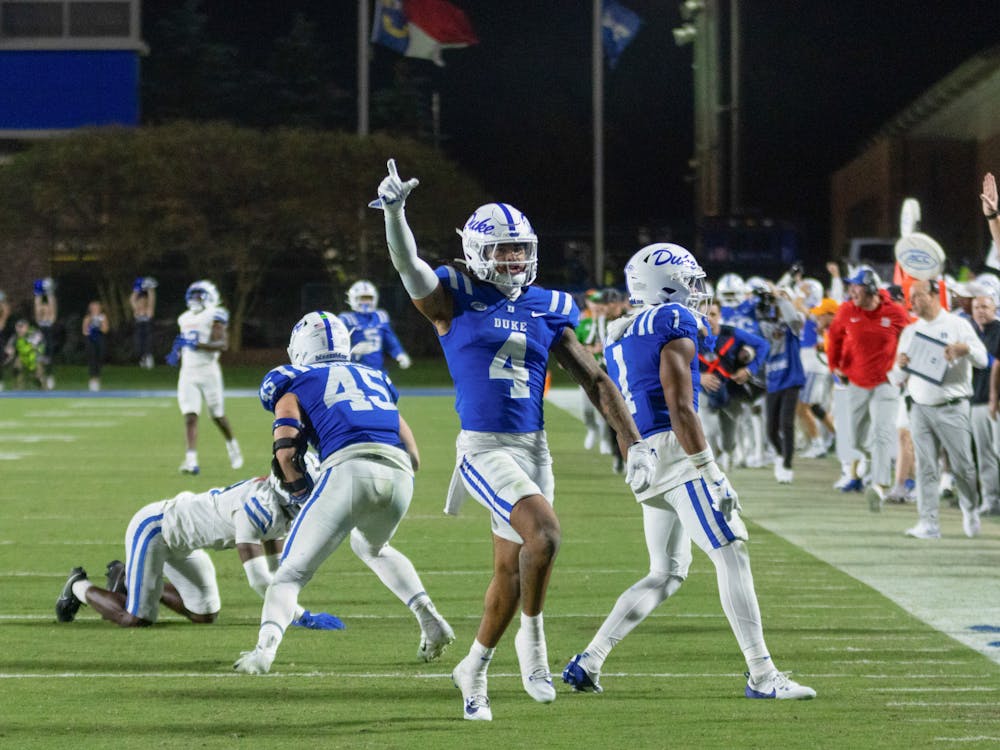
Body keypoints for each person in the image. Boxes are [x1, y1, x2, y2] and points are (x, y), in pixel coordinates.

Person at [371, 159, 656, 721]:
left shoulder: (548, 305)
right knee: (544, 535)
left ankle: (473, 668)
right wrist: (397, 213)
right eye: (503, 250)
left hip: (534, 447)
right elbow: (408, 264)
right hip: (482, 447)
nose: (515, 259)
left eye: (520, 249)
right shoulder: (454, 297)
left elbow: (595, 380)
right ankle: (534, 645)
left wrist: (633, 441)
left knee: (512, 568)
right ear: (479, 251)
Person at [561, 243, 815, 701]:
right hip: (676, 453)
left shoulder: (620, 330)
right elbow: (680, 406)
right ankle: (762, 675)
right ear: (665, 284)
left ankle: (590, 659)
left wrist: (633, 452)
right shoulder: (671, 321)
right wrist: (710, 469)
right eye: (689, 281)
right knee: (732, 551)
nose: (698, 292)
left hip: (643, 452)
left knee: (667, 573)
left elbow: (618, 402)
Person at [234, 311, 454, 674]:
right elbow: (412, 453)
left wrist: (303, 495)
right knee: (372, 546)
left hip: (349, 469)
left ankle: (263, 653)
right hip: (399, 474)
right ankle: (430, 619)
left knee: (288, 575)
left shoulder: (294, 382)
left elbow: (286, 452)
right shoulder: (374, 377)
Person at [54, 468, 342, 629]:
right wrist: (300, 615)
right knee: (137, 618)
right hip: (157, 530)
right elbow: (259, 580)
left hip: (187, 542)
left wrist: (292, 602)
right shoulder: (258, 508)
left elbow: (278, 568)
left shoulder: (280, 509)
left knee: (204, 614)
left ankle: (128, 579)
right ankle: (78, 585)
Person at [889, 279, 986, 538]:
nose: (913, 303)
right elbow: (895, 377)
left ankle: (970, 507)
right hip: (920, 406)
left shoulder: (957, 325)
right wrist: (899, 365)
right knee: (925, 466)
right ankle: (929, 523)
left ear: (934, 295)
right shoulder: (910, 331)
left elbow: (983, 358)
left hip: (952, 406)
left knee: (963, 466)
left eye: (918, 296)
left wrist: (963, 349)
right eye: (911, 297)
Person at [826, 267, 909, 509]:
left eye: (857, 286)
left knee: (883, 433)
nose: (852, 290)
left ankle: (879, 487)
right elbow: (835, 338)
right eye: (851, 286)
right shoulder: (847, 310)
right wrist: (835, 366)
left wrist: (905, 365)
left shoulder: (894, 312)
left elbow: (912, 335)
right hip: (857, 380)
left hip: (887, 381)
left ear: (871, 289)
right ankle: (871, 456)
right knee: (855, 437)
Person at [170, 280, 242, 474]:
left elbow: (222, 344)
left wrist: (198, 345)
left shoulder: (215, 315)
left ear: (210, 296)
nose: (194, 299)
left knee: (217, 415)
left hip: (209, 371)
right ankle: (191, 460)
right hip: (188, 372)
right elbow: (185, 342)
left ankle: (232, 444)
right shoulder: (183, 318)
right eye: (192, 295)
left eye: (199, 295)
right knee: (190, 415)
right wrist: (177, 352)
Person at [697, 301, 769, 472]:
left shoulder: (731, 333)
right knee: (709, 432)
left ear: (720, 316)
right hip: (704, 392)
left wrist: (750, 370)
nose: (709, 318)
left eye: (713, 314)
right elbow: (679, 365)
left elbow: (763, 345)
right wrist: (699, 377)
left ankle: (728, 455)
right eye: (704, 315)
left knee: (728, 438)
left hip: (730, 391)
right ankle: (713, 469)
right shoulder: (691, 338)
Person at [754, 284, 806, 483]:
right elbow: (759, 327)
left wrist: (780, 297)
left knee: (787, 423)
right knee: (771, 430)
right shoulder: (768, 324)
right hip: (773, 379)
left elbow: (792, 318)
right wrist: (762, 303)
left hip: (791, 377)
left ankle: (787, 464)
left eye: (784, 297)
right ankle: (780, 453)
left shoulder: (795, 320)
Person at [337, 279, 412, 372]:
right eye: (362, 298)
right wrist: (353, 351)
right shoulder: (346, 319)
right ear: (353, 298)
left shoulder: (380, 316)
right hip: (355, 369)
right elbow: (337, 344)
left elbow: (390, 339)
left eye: (368, 298)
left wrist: (399, 353)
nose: (366, 302)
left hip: (378, 369)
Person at [3, 318, 46, 390]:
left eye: (21, 327)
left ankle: (44, 387)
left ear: (27, 327)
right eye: (18, 327)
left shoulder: (33, 334)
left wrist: (37, 353)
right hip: (23, 355)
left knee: (38, 375)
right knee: (16, 367)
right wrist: (8, 357)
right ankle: (18, 386)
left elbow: (38, 346)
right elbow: (9, 349)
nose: (19, 329)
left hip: (35, 355)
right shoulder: (15, 337)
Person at [33, 277, 57, 389]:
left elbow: (53, 306)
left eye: (46, 307)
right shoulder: (40, 321)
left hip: (49, 344)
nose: (45, 309)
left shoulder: (50, 320)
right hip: (40, 345)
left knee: (49, 362)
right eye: (44, 308)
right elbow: (37, 307)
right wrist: (38, 293)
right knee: (40, 363)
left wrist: (49, 292)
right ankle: (41, 381)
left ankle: (50, 377)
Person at [130, 276, 157, 369]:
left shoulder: (149, 311)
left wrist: (150, 289)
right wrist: (137, 289)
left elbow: (152, 300)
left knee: (148, 345)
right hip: (138, 332)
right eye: (139, 301)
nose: (141, 302)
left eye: (143, 301)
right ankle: (143, 359)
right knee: (138, 347)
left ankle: (149, 358)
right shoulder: (136, 311)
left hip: (148, 331)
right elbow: (132, 299)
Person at [82, 300, 109, 392]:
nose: (95, 309)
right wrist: (90, 325)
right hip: (91, 340)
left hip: (100, 340)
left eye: (97, 307)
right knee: (92, 359)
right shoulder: (87, 318)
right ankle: (92, 380)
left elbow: (105, 330)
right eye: (93, 308)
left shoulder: (103, 317)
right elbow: (85, 331)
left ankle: (98, 379)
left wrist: (99, 326)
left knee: (99, 359)